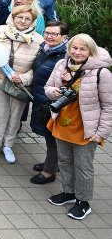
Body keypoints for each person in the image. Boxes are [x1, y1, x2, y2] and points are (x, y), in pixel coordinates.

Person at [45, 34, 112, 220]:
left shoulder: (101, 73)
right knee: (65, 161)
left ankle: (83, 202)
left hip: (86, 128)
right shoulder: (61, 65)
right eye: (74, 48)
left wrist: (101, 133)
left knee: (83, 166)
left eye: (82, 49)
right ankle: (68, 192)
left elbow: (109, 106)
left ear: (91, 51)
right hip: (62, 122)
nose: (77, 52)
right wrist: (55, 92)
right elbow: (48, 88)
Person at [0, 5, 44, 164]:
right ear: (13, 17)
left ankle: (8, 145)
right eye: (20, 17)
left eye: (27, 19)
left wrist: (24, 78)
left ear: (33, 22)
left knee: (15, 115)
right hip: (0, 79)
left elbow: (39, 68)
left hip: (20, 84)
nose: (23, 21)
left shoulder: (39, 40)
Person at [30, 21, 70, 185]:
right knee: (48, 134)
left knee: (53, 136)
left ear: (64, 37)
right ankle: (52, 162)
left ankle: (49, 172)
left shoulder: (64, 56)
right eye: (47, 32)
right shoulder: (45, 48)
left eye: (54, 34)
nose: (49, 36)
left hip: (53, 101)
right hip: (42, 97)